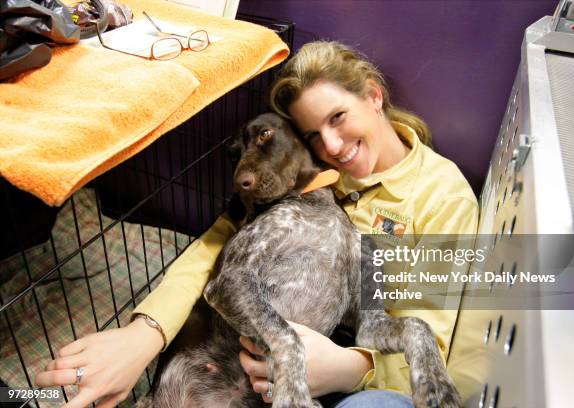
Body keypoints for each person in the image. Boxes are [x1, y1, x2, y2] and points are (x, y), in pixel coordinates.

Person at [36, 40, 478, 408]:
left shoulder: (442, 195)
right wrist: (144, 334)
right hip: (225, 369)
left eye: (338, 117)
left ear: (373, 95)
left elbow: (424, 336)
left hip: (338, 380)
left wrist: (348, 368)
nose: (332, 145)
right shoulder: (302, 175)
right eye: (312, 134)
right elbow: (215, 253)